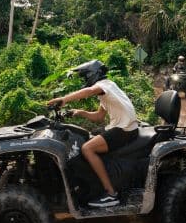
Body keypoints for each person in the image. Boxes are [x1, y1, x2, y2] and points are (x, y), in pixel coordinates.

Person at [47, 60, 139, 208]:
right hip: (120, 127)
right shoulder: (107, 89)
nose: (85, 81)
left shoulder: (104, 85)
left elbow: (89, 92)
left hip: (125, 129)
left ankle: (111, 194)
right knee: (86, 137)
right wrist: (80, 112)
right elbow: (99, 117)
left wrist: (64, 99)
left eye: (85, 77)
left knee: (87, 148)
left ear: (93, 74)